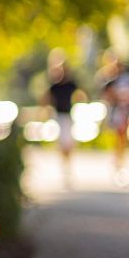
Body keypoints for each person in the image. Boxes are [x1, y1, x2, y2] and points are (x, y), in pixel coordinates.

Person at [40, 49, 83, 185]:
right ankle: (65, 167)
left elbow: (81, 94)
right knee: (63, 143)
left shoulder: (71, 84)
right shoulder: (54, 86)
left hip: (69, 115)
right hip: (58, 116)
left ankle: (67, 166)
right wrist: (45, 111)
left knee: (68, 143)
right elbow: (45, 99)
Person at [101, 58, 129, 186]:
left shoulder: (126, 79)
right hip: (119, 114)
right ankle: (118, 167)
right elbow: (106, 96)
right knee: (120, 140)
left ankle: (120, 166)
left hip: (125, 112)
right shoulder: (110, 81)